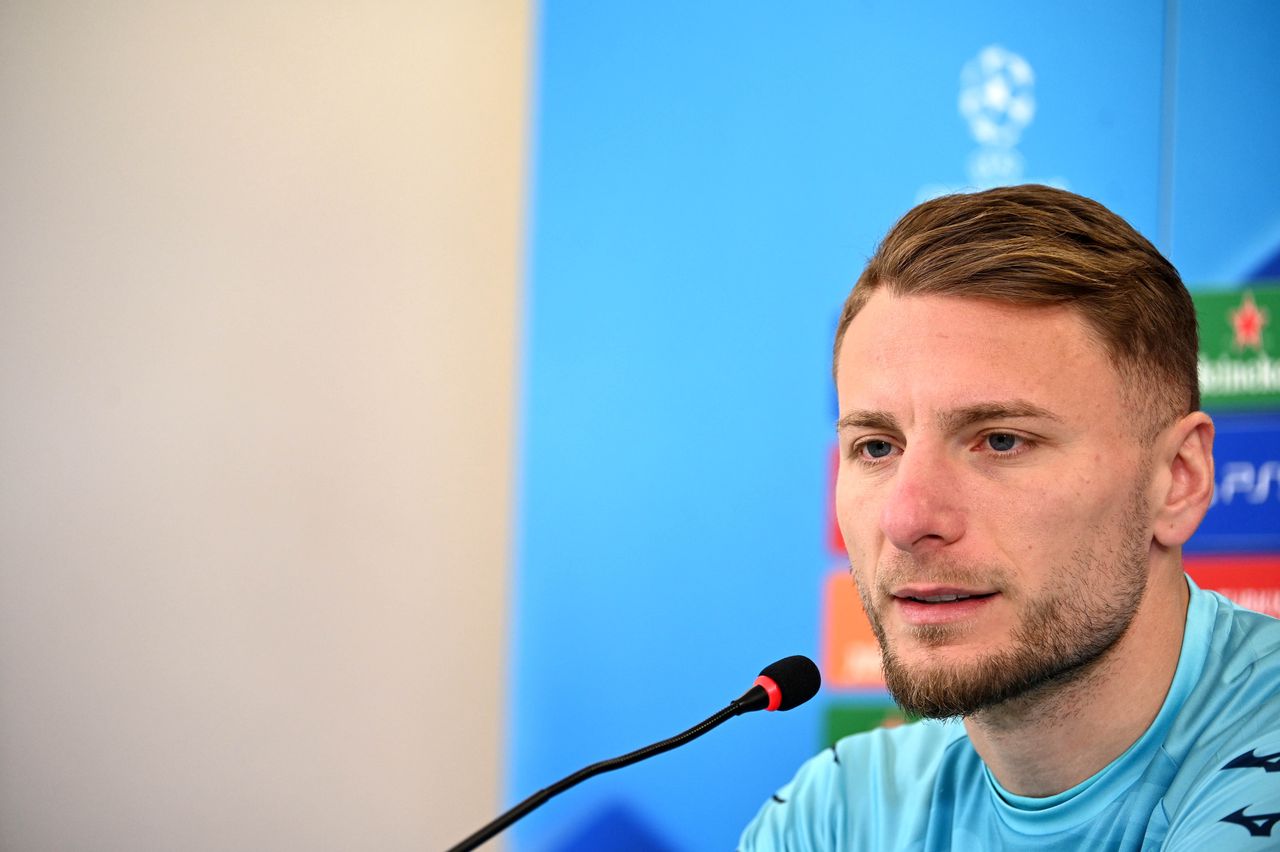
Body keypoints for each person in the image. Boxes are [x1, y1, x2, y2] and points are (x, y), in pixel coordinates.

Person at [739, 185, 1280, 850]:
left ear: (1177, 481)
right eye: (876, 447)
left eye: (1001, 440)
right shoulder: (835, 815)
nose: (907, 520)